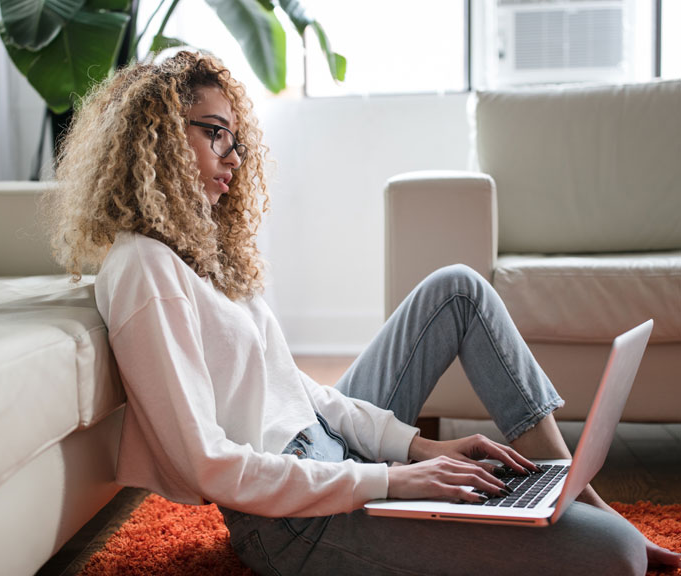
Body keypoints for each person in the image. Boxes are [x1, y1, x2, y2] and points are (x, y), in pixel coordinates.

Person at [46, 51, 680, 575]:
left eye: (235, 138)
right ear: (155, 138)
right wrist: (390, 480)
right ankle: (578, 512)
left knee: (458, 289)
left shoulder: (204, 257)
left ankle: (568, 488)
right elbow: (206, 463)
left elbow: (300, 392)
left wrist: (417, 448)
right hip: (291, 523)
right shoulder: (142, 269)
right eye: (214, 132)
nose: (234, 158)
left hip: (332, 457)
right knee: (614, 556)